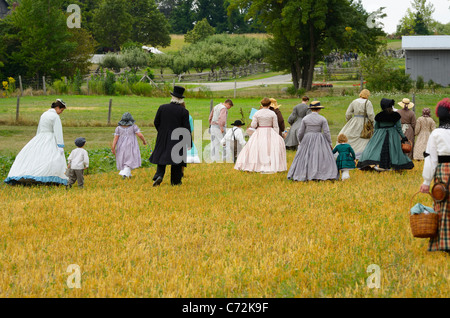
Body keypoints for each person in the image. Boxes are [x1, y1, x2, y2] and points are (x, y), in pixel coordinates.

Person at [4, 99, 68, 185]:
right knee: (52, 158)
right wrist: (60, 145)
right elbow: (58, 132)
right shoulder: (55, 117)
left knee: (37, 157)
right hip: (50, 137)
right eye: (61, 110)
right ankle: (50, 177)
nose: (61, 112)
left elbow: (40, 128)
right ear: (57, 108)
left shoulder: (44, 114)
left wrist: (37, 138)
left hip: (40, 137)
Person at [419, 98, 450, 253]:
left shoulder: (436, 134)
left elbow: (431, 159)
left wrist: (426, 181)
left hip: (443, 172)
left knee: (442, 206)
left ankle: (444, 244)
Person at [357, 98, 414, 171]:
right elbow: (399, 128)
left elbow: (376, 127)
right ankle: (394, 166)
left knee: (375, 149)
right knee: (394, 150)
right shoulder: (396, 115)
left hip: (380, 134)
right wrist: (403, 137)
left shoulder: (379, 116)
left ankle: (375, 164)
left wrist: (375, 137)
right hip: (393, 135)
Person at [150, 86, 191, 186]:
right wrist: (188, 142)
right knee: (176, 160)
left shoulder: (162, 107)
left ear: (172, 97)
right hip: (178, 138)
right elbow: (186, 128)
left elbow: (156, 122)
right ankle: (175, 181)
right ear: (181, 99)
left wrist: (161, 132)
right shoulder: (184, 112)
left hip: (163, 136)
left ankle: (159, 175)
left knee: (161, 156)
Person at [287, 101, 339, 182]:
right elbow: (326, 132)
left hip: (307, 138)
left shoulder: (305, 118)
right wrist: (329, 143)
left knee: (306, 156)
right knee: (320, 156)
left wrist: (301, 141)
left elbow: (300, 132)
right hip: (319, 137)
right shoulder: (322, 118)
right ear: (319, 109)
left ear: (310, 109)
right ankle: (321, 174)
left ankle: (305, 174)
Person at [234, 97, 287, 173]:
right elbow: (275, 126)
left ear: (261, 104)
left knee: (256, 148)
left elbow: (253, 125)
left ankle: (256, 165)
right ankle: (270, 164)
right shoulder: (272, 113)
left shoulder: (257, 113)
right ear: (269, 104)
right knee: (270, 149)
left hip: (260, 131)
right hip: (270, 131)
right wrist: (276, 136)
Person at [337, 89, 375, 159]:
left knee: (350, 135)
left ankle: (348, 152)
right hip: (364, 122)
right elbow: (370, 114)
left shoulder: (354, 101)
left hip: (354, 120)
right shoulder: (368, 102)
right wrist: (372, 122)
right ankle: (361, 154)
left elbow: (348, 113)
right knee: (364, 138)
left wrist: (349, 121)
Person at [112, 112, 147, 179]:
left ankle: (128, 174)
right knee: (130, 159)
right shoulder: (134, 127)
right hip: (131, 145)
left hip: (121, 145)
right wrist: (144, 141)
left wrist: (113, 147)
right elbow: (140, 134)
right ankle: (125, 174)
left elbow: (115, 138)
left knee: (124, 159)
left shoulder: (118, 128)